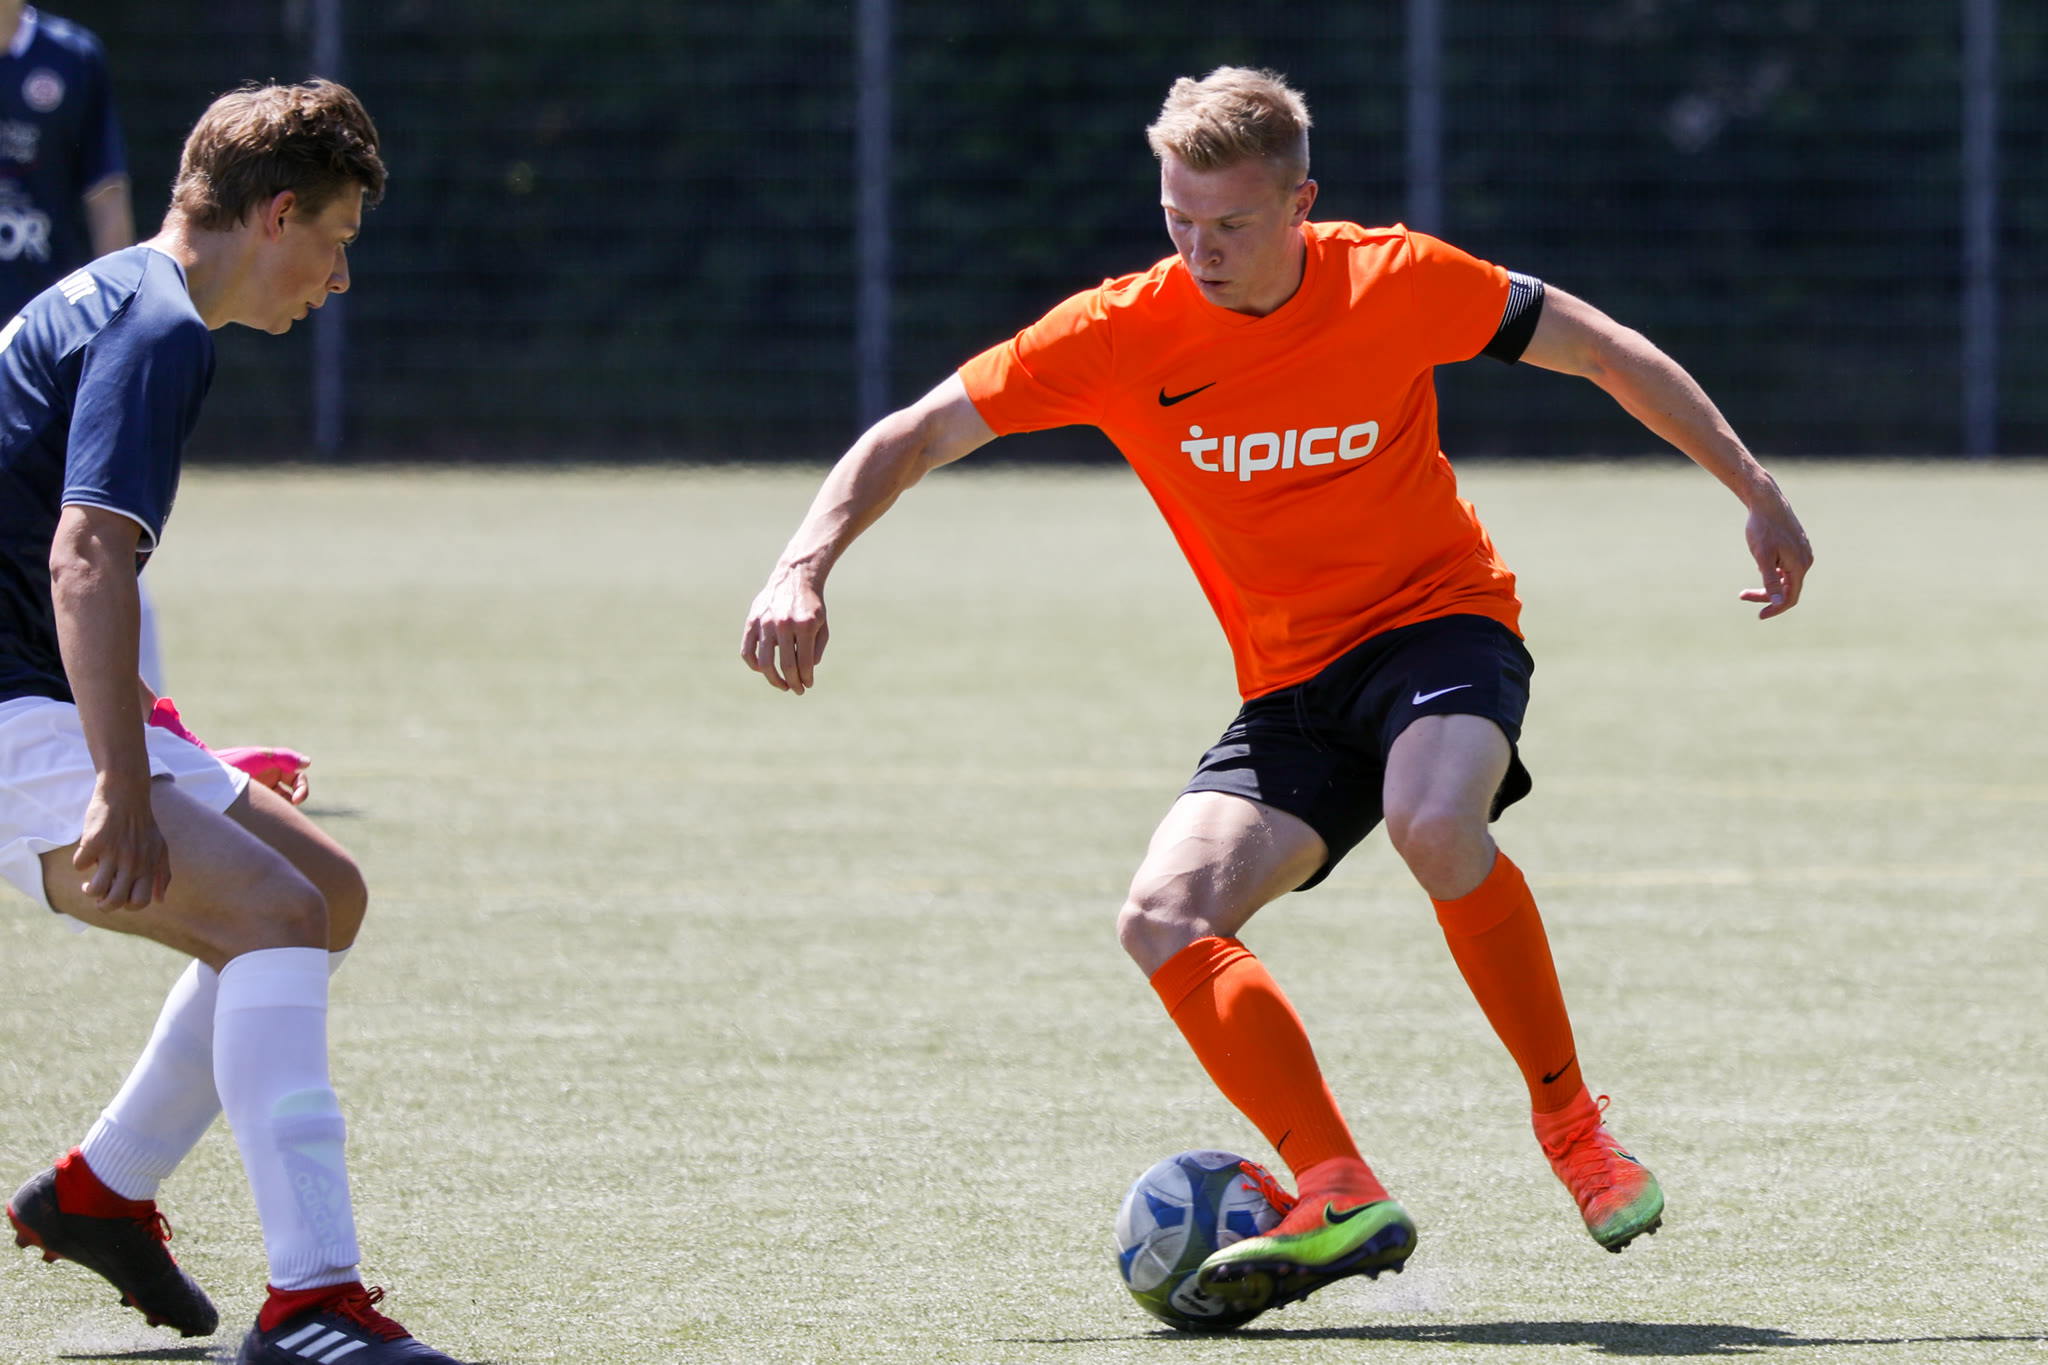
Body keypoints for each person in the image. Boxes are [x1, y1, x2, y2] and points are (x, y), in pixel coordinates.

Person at [742, 67, 1813, 1318]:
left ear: (1301, 203)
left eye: (1231, 223)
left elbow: (1598, 349)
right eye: (1176, 219)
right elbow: (916, 431)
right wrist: (801, 564)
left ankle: (1571, 1126)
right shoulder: (1116, 333)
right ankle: (1336, 1187)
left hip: (1438, 626)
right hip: (1291, 687)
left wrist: (1753, 489)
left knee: (1432, 822)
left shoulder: (1394, 279)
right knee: (1161, 917)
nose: (1198, 249)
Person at [0, 81, 465, 1364]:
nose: (339, 277)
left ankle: (101, 1190)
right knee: (273, 916)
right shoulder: (159, 327)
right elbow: (83, 557)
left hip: (37, 689)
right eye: (337, 239)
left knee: (327, 889)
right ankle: (311, 1303)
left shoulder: (123, 298)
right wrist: (124, 782)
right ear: (275, 215)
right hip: (9, 711)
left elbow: (48, 553)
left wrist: (166, 746)